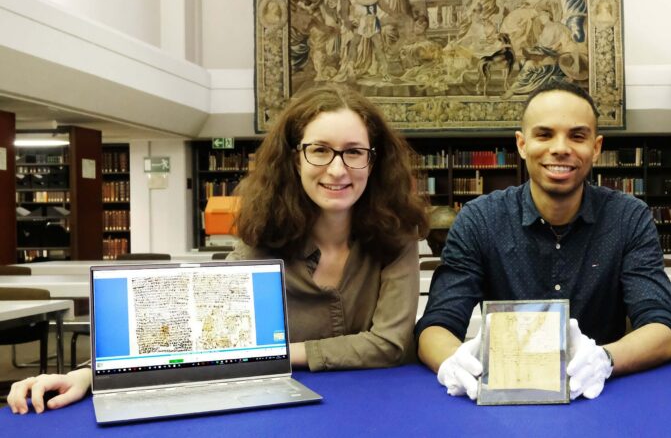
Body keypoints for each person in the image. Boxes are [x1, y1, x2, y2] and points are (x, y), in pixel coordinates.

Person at [7, 84, 428, 414]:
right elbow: (190, 336)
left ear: (373, 161)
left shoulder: (396, 236)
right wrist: (87, 377)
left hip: (382, 407)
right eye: (319, 150)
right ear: (294, 158)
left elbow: (389, 345)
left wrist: (272, 353)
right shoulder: (262, 239)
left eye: (354, 152)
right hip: (287, 410)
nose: (338, 169)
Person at [416, 80, 671, 401]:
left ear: (596, 148)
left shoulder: (629, 218)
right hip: (503, 398)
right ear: (521, 144)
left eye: (577, 135)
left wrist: (605, 359)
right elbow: (436, 324)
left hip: (600, 395)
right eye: (544, 134)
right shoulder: (480, 219)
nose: (560, 147)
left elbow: (663, 328)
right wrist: (451, 362)